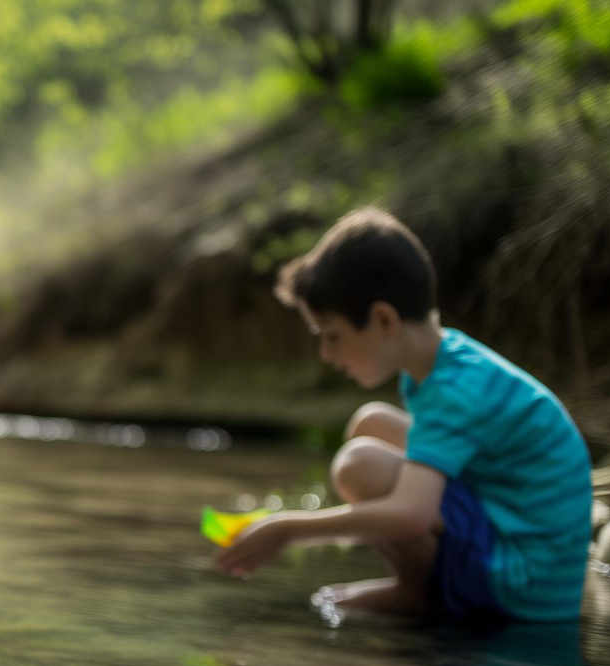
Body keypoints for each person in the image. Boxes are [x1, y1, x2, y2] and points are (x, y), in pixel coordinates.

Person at [217, 208, 591, 622]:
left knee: (359, 465)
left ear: (383, 320)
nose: (326, 354)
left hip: (524, 584)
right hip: (530, 551)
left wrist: (287, 529)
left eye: (333, 335)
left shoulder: (452, 389)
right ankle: (421, 586)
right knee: (370, 422)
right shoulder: (449, 362)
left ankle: (420, 593)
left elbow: (412, 516)